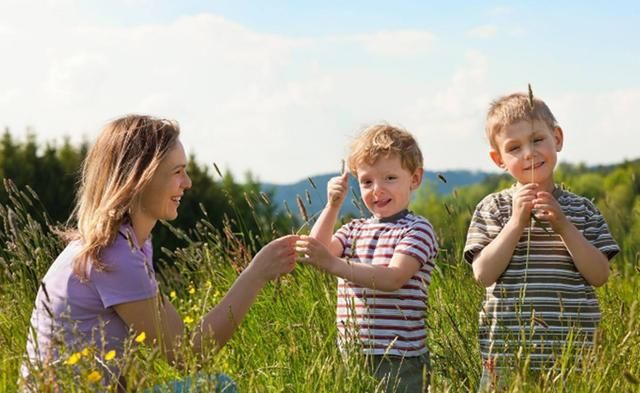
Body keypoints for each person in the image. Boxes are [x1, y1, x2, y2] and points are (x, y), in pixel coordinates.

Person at [20, 115, 298, 392]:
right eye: (177, 171)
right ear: (141, 178)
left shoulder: (127, 244)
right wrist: (256, 274)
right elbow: (189, 355)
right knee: (218, 388)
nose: (187, 183)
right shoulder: (115, 255)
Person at [464, 92, 620, 391]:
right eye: (513, 147)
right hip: (507, 357)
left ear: (557, 138)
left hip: (572, 357)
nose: (528, 153)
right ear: (498, 159)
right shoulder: (493, 208)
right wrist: (516, 222)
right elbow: (483, 274)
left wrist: (563, 224)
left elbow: (599, 275)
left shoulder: (582, 210)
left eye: (537, 140)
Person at [295, 124, 439, 393]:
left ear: (414, 179)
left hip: (400, 356)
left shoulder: (417, 229)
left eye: (390, 178)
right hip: (353, 352)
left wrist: (334, 265)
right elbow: (316, 250)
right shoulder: (354, 229)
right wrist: (332, 206)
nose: (377, 189)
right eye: (367, 181)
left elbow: (393, 277)